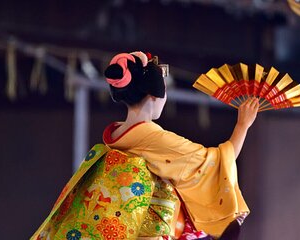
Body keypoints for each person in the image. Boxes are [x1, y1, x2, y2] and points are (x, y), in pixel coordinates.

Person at [102, 51, 259, 239]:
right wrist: (243, 125)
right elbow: (215, 164)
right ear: (154, 95)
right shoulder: (155, 139)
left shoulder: (116, 135)